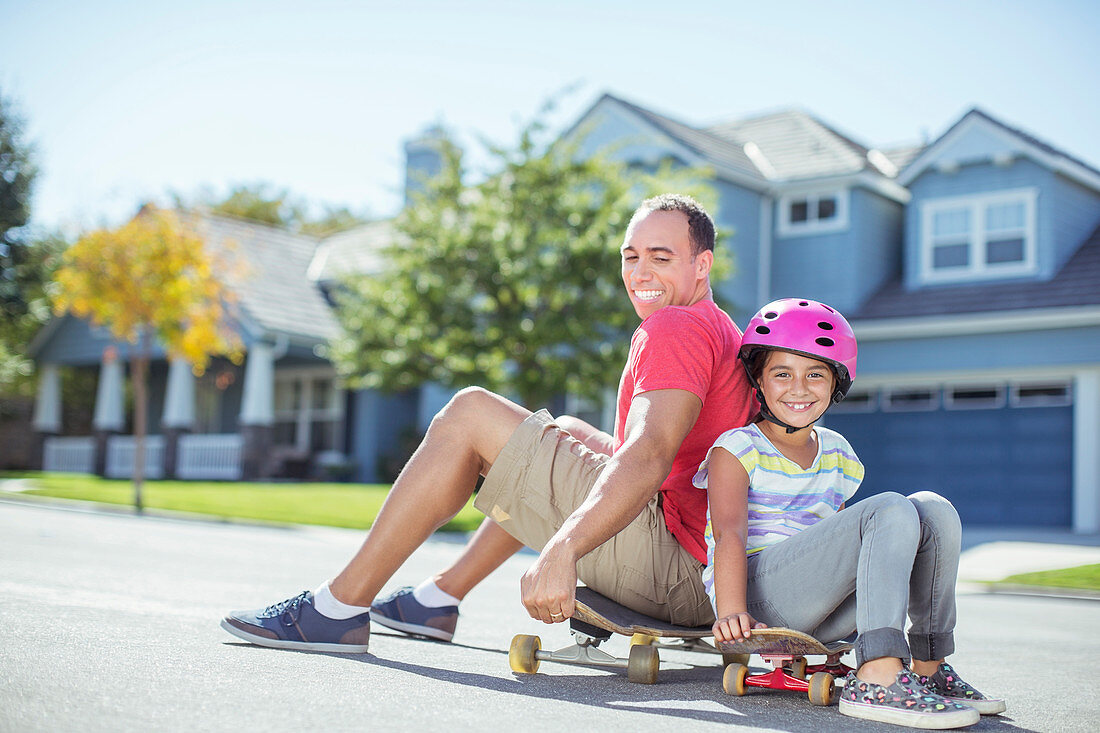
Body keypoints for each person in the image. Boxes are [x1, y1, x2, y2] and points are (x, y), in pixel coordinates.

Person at [221, 193, 756, 653]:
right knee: (566, 430)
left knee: (470, 413)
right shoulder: (716, 326)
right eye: (631, 255)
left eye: (661, 258)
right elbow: (660, 458)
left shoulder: (677, 328)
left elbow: (649, 452)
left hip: (682, 574)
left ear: (701, 264)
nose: (640, 273)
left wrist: (563, 547)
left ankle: (336, 609)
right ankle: (437, 599)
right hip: (701, 567)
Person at [695, 297, 1005, 729]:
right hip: (759, 597)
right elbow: (728, 533)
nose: (798, 388)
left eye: (815, 374)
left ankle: (928, 669)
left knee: (934, 510)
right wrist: (730, 611)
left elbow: (840, 540)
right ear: (759, 382)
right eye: (782, 373)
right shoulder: (737, 448)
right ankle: (876, 674)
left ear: (836, 383)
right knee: (890, 507)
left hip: (821, 604)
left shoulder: (838, 451)